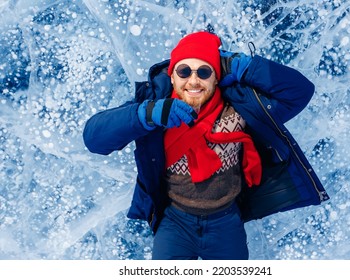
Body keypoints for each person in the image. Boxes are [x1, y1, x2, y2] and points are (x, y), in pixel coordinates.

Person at [83, 31, 329, 260]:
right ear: (172, 75)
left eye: (203, 72)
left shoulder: (239, 110)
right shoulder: (155, 108)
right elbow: (94, 139)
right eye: (184, 71)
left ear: (215, 77)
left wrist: (244, 66)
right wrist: (145, 114)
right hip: (175, 223)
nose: (193, 81)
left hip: (226, 223)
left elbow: (300, 91)